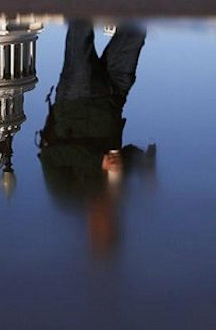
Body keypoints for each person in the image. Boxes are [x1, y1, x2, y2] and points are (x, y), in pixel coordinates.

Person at [38, 20, 152, 258]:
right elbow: (127, 154)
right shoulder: (117, 195)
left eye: (104, 228)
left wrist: (97, 161)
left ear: (92, 229)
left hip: (77, 98)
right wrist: (141, 163)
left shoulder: (66, 194)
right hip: (114, 95)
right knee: (136, 29)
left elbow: (51, 154)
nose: (109, 220)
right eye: (113, 225)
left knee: (80, 31)